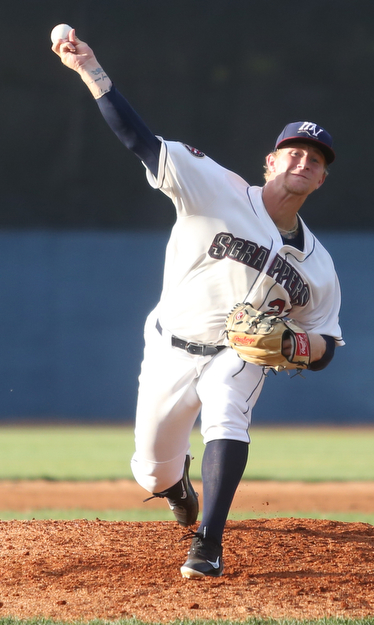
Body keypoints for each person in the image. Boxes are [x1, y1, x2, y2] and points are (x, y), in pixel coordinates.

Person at [52, 30, 344, 579]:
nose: (303, 160)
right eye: (294, 151)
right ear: (270, 162)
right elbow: (140, 140)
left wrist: (299, 344)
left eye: (315, 158)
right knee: (150, 471)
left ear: (323, 178)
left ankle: (208, 542)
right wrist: (91, 71)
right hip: (169, 344)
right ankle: (176, 486)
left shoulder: (320, 267)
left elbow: (328, 343)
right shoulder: (214, 186)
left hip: (235, 354)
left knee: (228, 414)